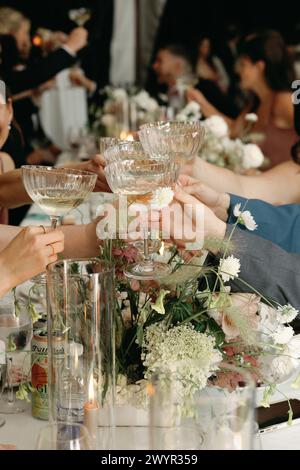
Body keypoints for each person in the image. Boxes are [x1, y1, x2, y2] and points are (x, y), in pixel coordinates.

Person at [188, 31, 297, 166]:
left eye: (243, 64)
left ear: (259, 67)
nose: (237, 70)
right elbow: (233, 130)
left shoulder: (283, 100)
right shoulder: (255, 104)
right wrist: (200, 102)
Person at [151, 44, 238, 117]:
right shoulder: (163, 94)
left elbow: (232, 115)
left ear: (178, 66)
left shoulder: (206, 88)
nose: (154, 66)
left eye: (159, 61)